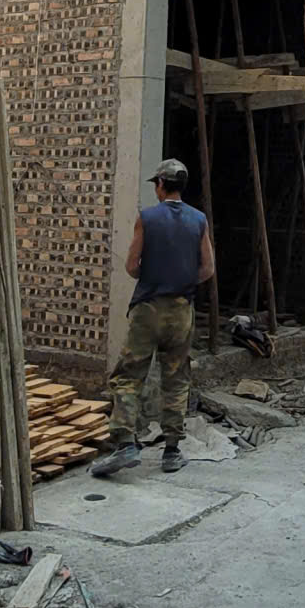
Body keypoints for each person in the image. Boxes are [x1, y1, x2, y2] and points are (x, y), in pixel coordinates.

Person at [91, 158, 214, 479]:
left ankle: (125, 443)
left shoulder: (147, 218)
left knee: (129, 376)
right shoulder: (199, 219)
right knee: (176, 379)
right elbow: (207, 268)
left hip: (148, 309)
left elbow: (132, 266)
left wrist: (152, 276)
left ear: (160, 184)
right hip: (181, 311)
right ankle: (172, 451)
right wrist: (181, 282)